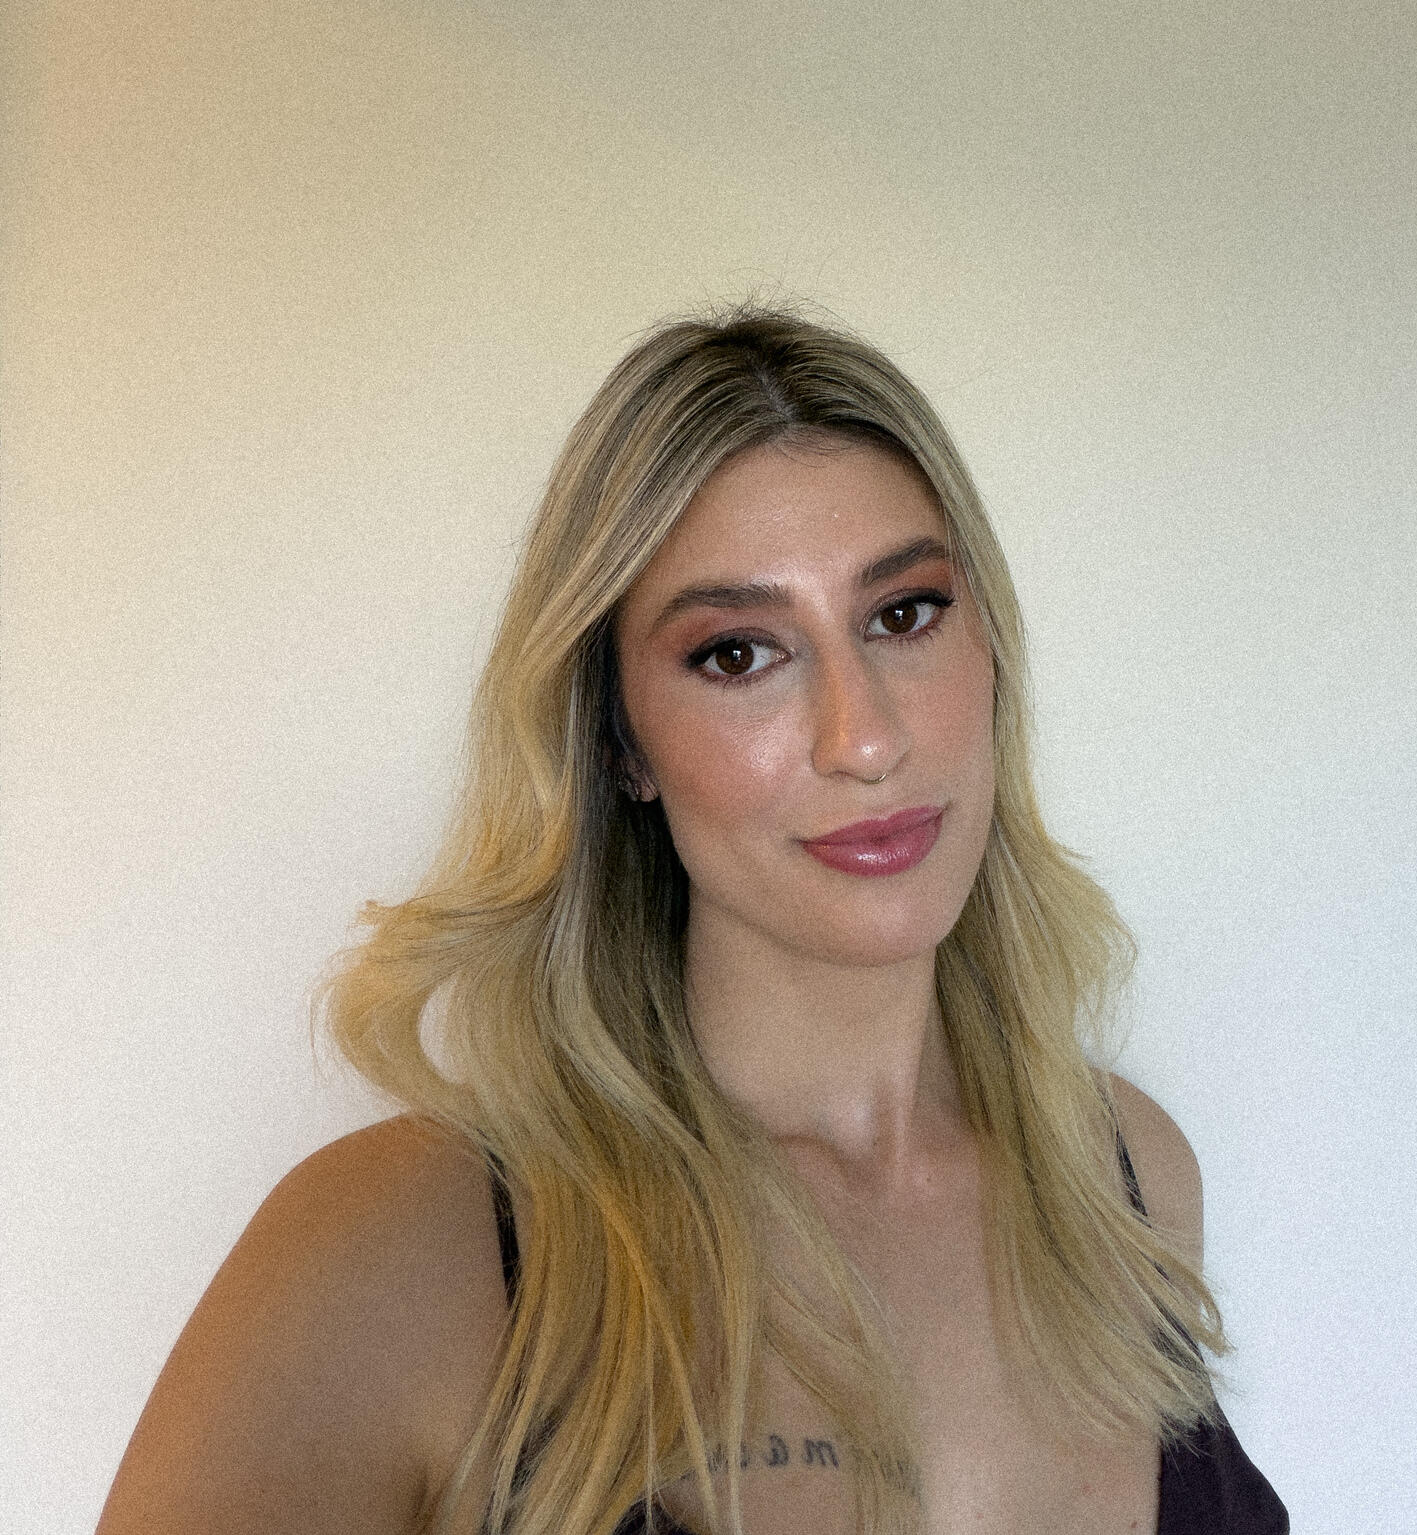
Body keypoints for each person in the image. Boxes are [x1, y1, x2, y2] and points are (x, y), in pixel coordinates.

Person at [97, 306, 1286, 1535]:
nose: (866, 737)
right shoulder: (398, 1250)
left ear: (991, 649)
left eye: (903, 613)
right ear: (620, 742)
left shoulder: (1125, 1174)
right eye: (737, 654)